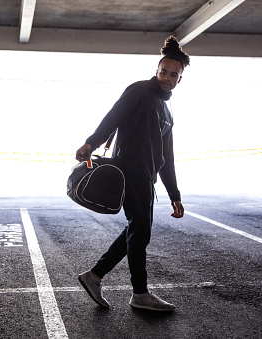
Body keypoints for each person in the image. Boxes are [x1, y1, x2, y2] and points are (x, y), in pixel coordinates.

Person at [75, 36, 189, 312]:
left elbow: (166, 157)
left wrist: (174, 193)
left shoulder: (167, 111)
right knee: (140, 231)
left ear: (179, 79)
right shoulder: (139, 91)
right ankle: (139, 293)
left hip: (146, 178)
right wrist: (91, 141)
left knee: (137, 231)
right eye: (163, 71)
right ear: (157, 70)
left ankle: (95, 275)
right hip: (129, 171)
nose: (167, 77)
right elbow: (112, 117)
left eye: (173, 74)